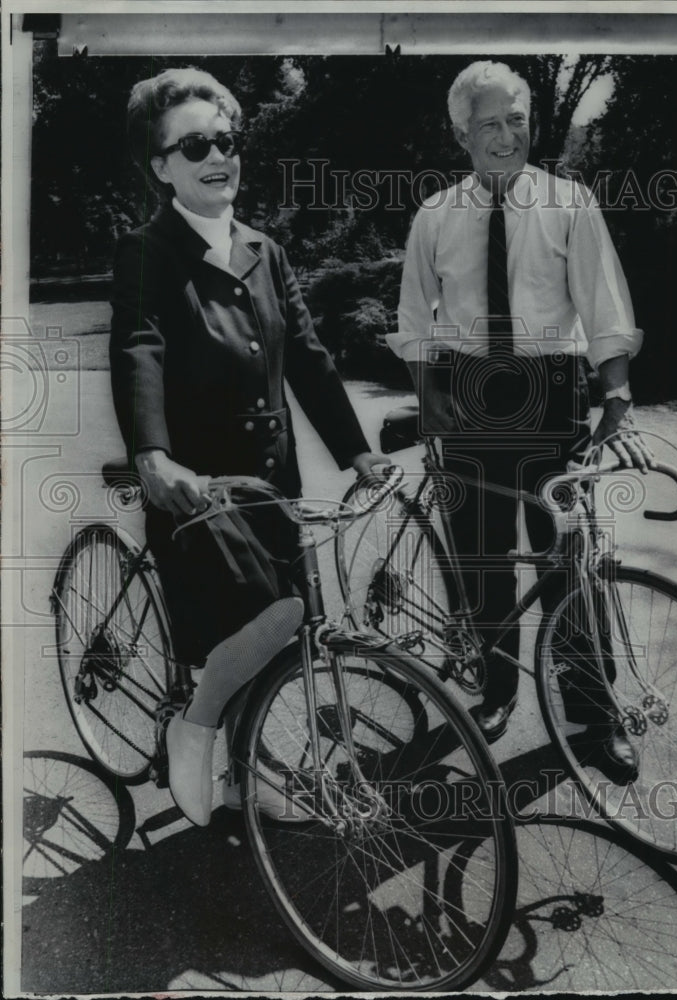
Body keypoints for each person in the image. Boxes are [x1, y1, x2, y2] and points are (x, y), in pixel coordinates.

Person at [110, 67, 384, 825]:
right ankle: (193, 729)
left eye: (225, 139)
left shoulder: (264, 248)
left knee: (276, 638)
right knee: (269, 619)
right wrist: (152, 454)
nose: (215, 155)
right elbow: (139, 347)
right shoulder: (149, 251)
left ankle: (245, 772)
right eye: (193, 144)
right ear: (161, 166)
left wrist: (356, 451)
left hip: (273, 476)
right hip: (195, 483)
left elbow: (308, 355)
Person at [391, 61, 653, 777]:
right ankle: (495, 687)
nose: (506, 137)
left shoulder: (569, 203)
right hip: (468, 395)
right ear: (459, 133)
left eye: (516, 121)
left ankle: (593, 715)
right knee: (480, 561)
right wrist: (431, 400)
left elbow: (603, 306)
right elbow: (414, 319)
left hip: (548, 394)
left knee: (567, 562)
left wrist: (617, 395)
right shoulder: (435, 216)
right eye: (488, 125)